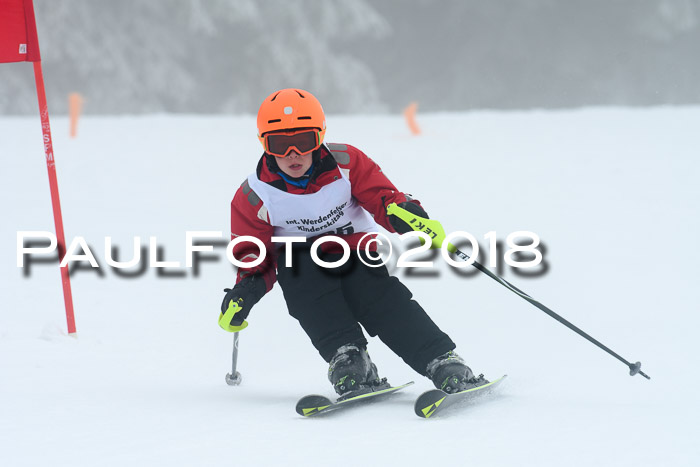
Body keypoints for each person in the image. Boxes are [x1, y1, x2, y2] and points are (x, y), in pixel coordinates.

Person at [220, 88, 487, 397]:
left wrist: (405, 213)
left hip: (356, 252)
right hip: (300, 264)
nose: (293, 153)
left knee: (380, 300)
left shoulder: (346, 162)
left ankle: (441, 360)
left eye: (304, 141)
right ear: (265, 144)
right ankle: (349, 359)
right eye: (280, 144)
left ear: (319, 137)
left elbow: (383, 198)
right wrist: (246, 291)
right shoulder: (253, 196)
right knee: (304, 285)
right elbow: (254, 258)